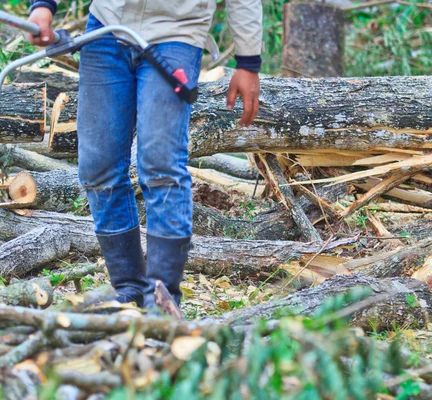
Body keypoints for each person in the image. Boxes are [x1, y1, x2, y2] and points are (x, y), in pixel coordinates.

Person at [26, 0, 262, 311]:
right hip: (107, 26)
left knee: (161, 164)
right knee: (99, 166)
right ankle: (127, 290)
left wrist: (248, 62)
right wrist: (43, 7)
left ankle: (161, 301)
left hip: (177, 32)